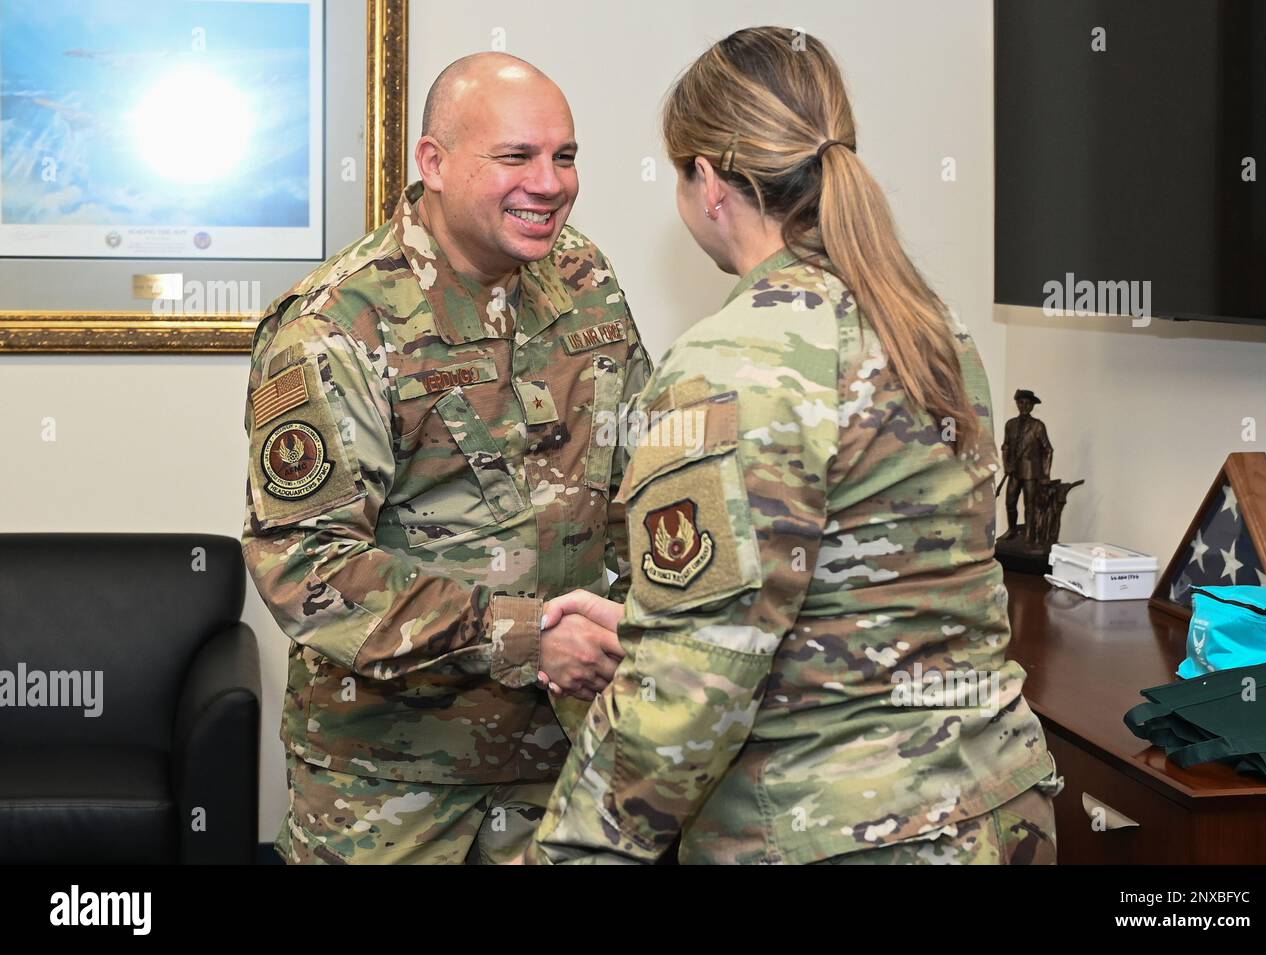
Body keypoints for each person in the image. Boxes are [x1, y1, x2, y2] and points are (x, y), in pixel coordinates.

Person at [524, 27, 1060, 865]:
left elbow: (689, 693)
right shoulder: (930, 326)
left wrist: (570, 851)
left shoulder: (730, 362)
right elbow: (861, 585)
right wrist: (648, 622)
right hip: (995, 804)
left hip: (840, 830)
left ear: (707, 183)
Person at [241, 52, 651, 864]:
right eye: (515, 157)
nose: (550, 183)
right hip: (391, 786)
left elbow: (640, 476)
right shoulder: (337, 325)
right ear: (433, 161)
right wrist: (527, 635)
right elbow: (308, 565)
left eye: (564, 156)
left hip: (565, 766)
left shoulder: (585, 277)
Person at [999, 389, 1053, 543]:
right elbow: (1006, 447)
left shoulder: (1038, 426)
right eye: (1021, 402)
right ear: (1017, 404)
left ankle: (1029, 533)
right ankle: (1011, 530)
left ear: (1032, 406)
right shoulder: (1010, 424)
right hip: (1014, 471)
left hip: (1031, 472)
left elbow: (1048, 450)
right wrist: (1006, 464)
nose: (1024, 406)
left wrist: (1045, 475)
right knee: (1010, 502)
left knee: (1029, 504)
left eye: (1027, 403)